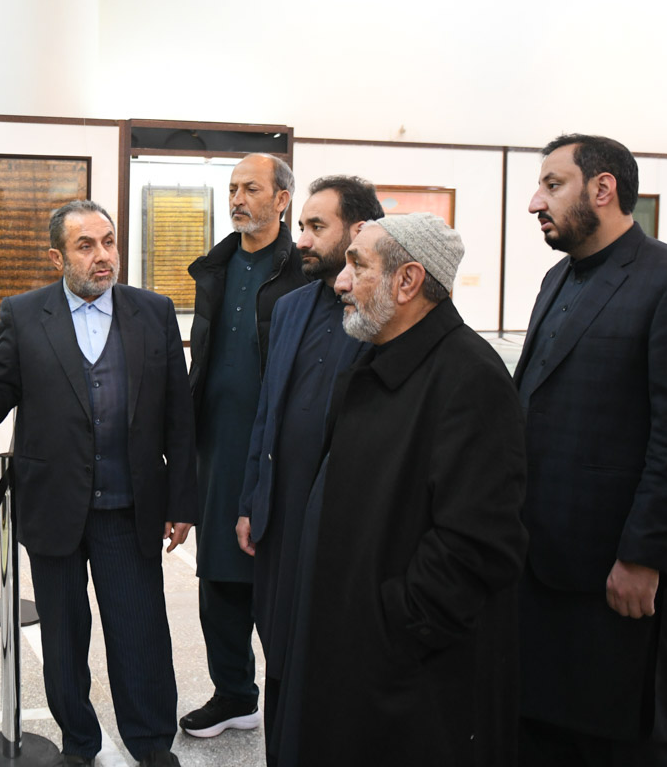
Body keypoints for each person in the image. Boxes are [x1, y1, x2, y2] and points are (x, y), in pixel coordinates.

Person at [0, 199, 196, 767]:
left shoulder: (153, 312)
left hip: (129, 507)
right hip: (54, 506)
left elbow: (178, 417)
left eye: (108, 242)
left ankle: (151, 743)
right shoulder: (23, 314)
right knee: (62, 639)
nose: (103, 255)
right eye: (86, 246)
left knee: (140, 633)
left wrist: (182, 500)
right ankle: (79, 743)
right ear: (57, 257)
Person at [290, 213, 529, 766]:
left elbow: (477, 546)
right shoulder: (376, 361)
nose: (341, 283)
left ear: (407, 281)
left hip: (407, 681)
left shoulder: (470, 378)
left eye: (358, 266)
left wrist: (390, 624)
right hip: (359, 659)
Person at [514, 134, 667, 766]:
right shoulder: (555, 278)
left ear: (603, 188)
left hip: (617, 578)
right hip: (540, 568)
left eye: (552, 185)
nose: (535, 202)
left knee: (625, 743)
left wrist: (644, 556)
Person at [233, 175, 383, 764]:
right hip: (280, 523)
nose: (301, 240)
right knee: (279, 660)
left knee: (328, 668)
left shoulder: (381, 315)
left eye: (317, 227)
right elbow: (267, 411)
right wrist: (251, 501)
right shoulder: (290, 307)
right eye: (302, 226)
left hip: (340, 530)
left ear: (359, 231)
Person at [179, 153, 307, 740]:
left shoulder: (304, 273)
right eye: (232, 188)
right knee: (218, 578)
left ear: (282, 199)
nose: (237, 199)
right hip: (217, 445)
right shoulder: (216, 266)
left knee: (275, 578)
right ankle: (234, 694)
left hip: (280, 451)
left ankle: (294, 698)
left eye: (251, 188)